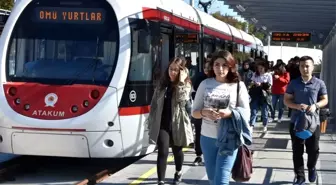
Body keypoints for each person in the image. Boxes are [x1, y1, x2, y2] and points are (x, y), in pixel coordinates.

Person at [192, 50, 251, 185]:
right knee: (212, 178)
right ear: (212, 66)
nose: (220, 69)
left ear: (231, 67)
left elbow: (246, 113)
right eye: (217, 65)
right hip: (207, 138)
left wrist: (230, 114)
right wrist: (204, 112)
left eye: (224, 65)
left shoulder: (238, 86)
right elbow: (194, 112)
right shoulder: (205, 84)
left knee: (221, 180)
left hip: (229, 139)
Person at [147, 57, 194, 185]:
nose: (172, 72)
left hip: (177, 123)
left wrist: (181, 82)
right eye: (170, 69)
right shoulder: (162, 84)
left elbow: (182, 99)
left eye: (175, 70)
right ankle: (160, 180)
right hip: (163, 123)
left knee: (177, 151)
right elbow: (154, 103)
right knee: (162, 150)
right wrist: (150, 120)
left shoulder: (186, 85)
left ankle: (178, 172)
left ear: (182, 71)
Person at [284, 56, 328, 185]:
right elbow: (287, 100)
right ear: (299, 68)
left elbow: (325, 99)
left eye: (307, 66)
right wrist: (297, 106)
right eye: (302, 66)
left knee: (313, 149)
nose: (305, 68)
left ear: (313, 67)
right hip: (296, 122)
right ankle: (300, 176)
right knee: (297, 150)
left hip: (313, 123)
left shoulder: (319, 83)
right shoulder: (294, 83)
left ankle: (312, 167)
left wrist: (316, 105)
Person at [190, 60, 211, 166]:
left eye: (208, 67)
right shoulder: (199, 79)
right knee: (199, 132)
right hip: (200, 111)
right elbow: (193, 93)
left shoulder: (216, 80)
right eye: (205, 68)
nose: (206, 70)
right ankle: (199, 155)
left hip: (213, 114)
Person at [249, 60, 273, 132]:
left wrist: (262, 84)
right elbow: (251, 82)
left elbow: (270, 86)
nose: (260, 70)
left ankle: (265, 125)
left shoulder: (268, 75)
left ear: (264, 68)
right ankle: (251, 125)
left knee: (264, 111)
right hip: (255, 94)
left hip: (264, 95)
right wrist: (253, 83)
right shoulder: (255, 74)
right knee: (254, 110)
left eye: (261, 68)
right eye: (258, 68)